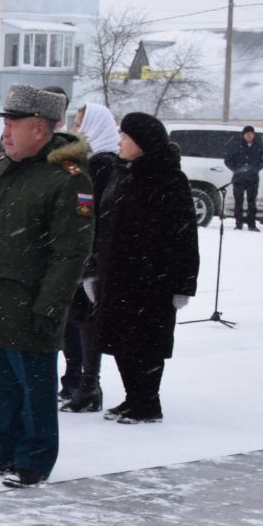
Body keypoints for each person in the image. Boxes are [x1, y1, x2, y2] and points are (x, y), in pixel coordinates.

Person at [0, 84, 93, 488]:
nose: (6, 131)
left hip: (29, 301)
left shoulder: (67, 179)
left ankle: (35, 458)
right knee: (0, 384)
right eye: (6, 123)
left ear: (41, 129)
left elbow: (71, 252)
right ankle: (0, 450)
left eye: (15, 124)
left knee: (35, 387)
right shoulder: (0, 170)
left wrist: (50, 305)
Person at [89, 112, 198, 423]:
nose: (120, 141)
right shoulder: (121, 173)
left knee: (146, 342)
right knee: (120, 338)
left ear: (143, 143)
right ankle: (132, 397)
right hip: (119, 273)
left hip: (154, 277)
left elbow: (184, 234)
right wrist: (95, 267)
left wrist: (183, 284)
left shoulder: (168, 178)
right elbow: (104, 224)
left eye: (126, 137)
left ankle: (148, 402)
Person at [58, 103, 121, 413]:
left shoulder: (103, 163)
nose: (76, 129)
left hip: (92, 254)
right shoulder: (89, 160)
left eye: (81, 123)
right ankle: (81, 383)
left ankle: (87, 385)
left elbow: (91, 209)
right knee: (78, 319)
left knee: (85, 321)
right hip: (85, 250)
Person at [223, 125, 263, 231]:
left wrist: (257, 168)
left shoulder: (259, 146)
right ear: (243, 135)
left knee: (252, 203)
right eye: (247, 133)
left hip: (253, 179)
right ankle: (238, 224)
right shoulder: (236, 145)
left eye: (251, 134)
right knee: (238, 202)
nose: (249, 135)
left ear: (254, 135)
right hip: (238, 179)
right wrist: (236, 169)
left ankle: (251, 224)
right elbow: (227, 159)